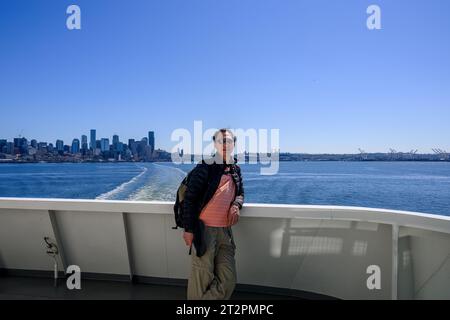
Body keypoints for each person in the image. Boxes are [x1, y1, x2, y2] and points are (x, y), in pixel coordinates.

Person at [182, 128, 244, 300]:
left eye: (229, 141)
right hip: (205, 230)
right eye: (221, 141)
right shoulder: (205, 167)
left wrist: (236, 205)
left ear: (234, 144)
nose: (225, 144)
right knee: (201, 278)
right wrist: (189, 229)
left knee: (229, 279)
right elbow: (190, 199)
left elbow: (240, 193)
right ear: (215, 144)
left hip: (225, 232)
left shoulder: (235, 170)